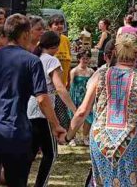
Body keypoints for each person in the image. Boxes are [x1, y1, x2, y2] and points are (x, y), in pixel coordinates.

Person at [0, 14, 66, 187]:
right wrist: (55, 125)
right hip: (16, 133)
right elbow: (42, 99)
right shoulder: (32, 61)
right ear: (25, 34)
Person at [66, 33, 137, 186]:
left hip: (101, 143)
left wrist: (67, 136)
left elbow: (82, 111)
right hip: (132, 144)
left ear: (116, 52)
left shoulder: (99, 75)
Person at [27, 30, 72, 187]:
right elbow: (60, 88)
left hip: (30, 109)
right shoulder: (52, 61)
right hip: (44, 111)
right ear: (56, 46)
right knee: (51, 154)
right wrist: (73, 108)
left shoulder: (34, 58)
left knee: (31, 152)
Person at [48, 14, 73, 131]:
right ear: (50, 26)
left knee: (63, 116)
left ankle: (63, 136)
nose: (59, 26)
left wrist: (69, 79)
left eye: (61, 23)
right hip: (50, 87)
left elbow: (68, 61)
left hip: (63, 85)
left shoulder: (66, 40)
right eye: (56, 24)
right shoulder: (46, 40)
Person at [68, 49, 95, 146]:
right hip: (76, 96)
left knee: (89, 117)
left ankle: (85, 137)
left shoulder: (91, 71)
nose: (85, 60)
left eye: (87, 58)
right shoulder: (74, 71)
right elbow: (71, 86)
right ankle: (72, 138)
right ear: (79, 59)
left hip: (86, 96)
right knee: (73, 116)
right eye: (83, 58)